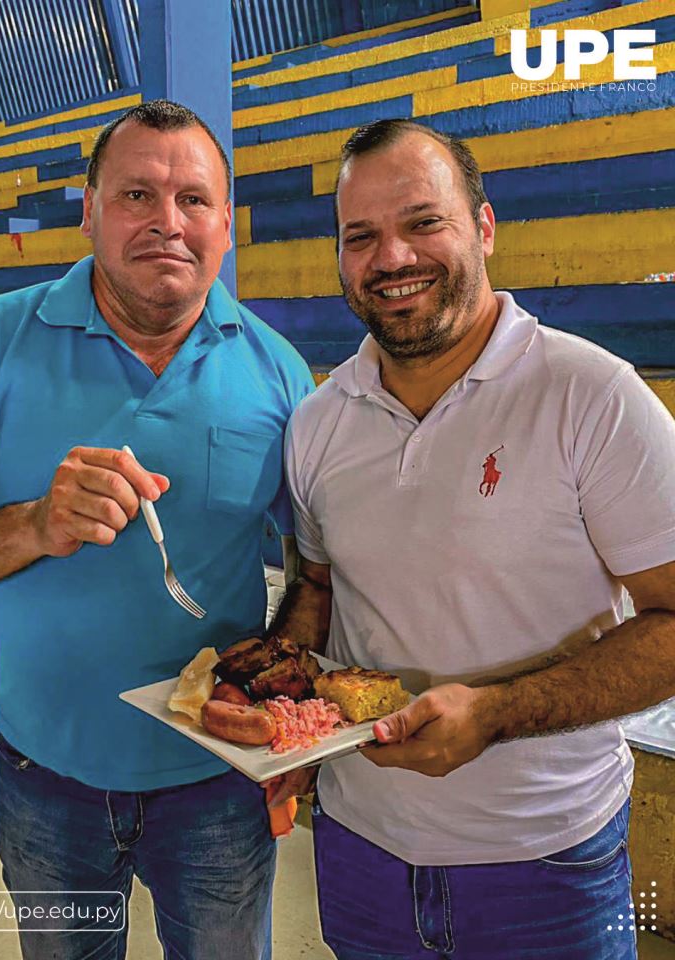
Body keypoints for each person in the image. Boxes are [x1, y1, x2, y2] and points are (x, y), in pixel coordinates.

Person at [0, 100, 313, 960]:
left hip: (218, 790)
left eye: (194, 200)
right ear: (89, 211)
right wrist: (33, 525)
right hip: (44, 777)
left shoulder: (275, 371)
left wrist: (289, 714)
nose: (168, 222)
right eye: (137, 195)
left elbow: (322, 566)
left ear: (226, 228)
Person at [267, 119, 675, 959]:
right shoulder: (317, 424)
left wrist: (497, 713)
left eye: (424, 222)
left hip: (548, 861)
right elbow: (317, 588)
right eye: (361, 237)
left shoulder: (592, 395)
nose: (392, 258)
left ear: (484, 228)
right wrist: (281, 711)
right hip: (357, 848)